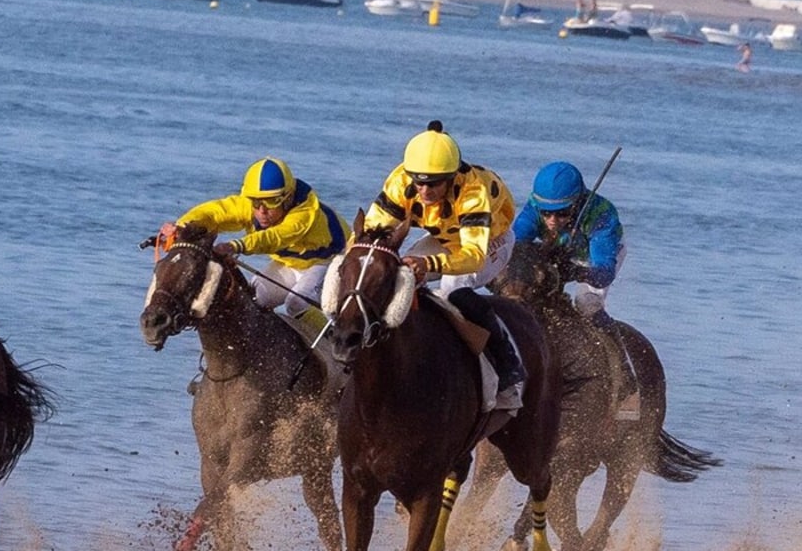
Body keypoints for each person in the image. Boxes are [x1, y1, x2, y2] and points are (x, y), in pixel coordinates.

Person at [362, 120, 525, 412]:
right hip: (443, 237)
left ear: (450, 177)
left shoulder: (473, 190)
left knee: (454, 288)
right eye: (418, 181)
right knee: (398, 275)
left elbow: (473, 256)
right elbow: (372, 232)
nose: (423, 190)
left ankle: (508, 361)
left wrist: (429, 262)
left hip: (490, 242)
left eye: (433, 183)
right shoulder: (402, 181)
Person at [162, 156, 347, 334]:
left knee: (296, 303)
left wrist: (236, 246)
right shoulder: (254, 207)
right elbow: (214, 213)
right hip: (291, 264)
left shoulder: (304, 214)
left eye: (272, 201)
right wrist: (181, 227)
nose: (262, 210)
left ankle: (336, 345)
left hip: (329, 263)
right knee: (250, 300)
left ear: (288, 198)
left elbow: (273, 238)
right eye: (255, 201)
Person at [510, 160, 626, 329]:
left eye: (562, 213)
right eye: (546, 213)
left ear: (577, 203)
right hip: (559, 250)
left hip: (593, 259)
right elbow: (515, 246)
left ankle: (617, 348)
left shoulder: (601, 216)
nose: (552, 221)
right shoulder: (534, 208)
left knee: (585, 303)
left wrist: (576, 271)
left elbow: (604, 274)